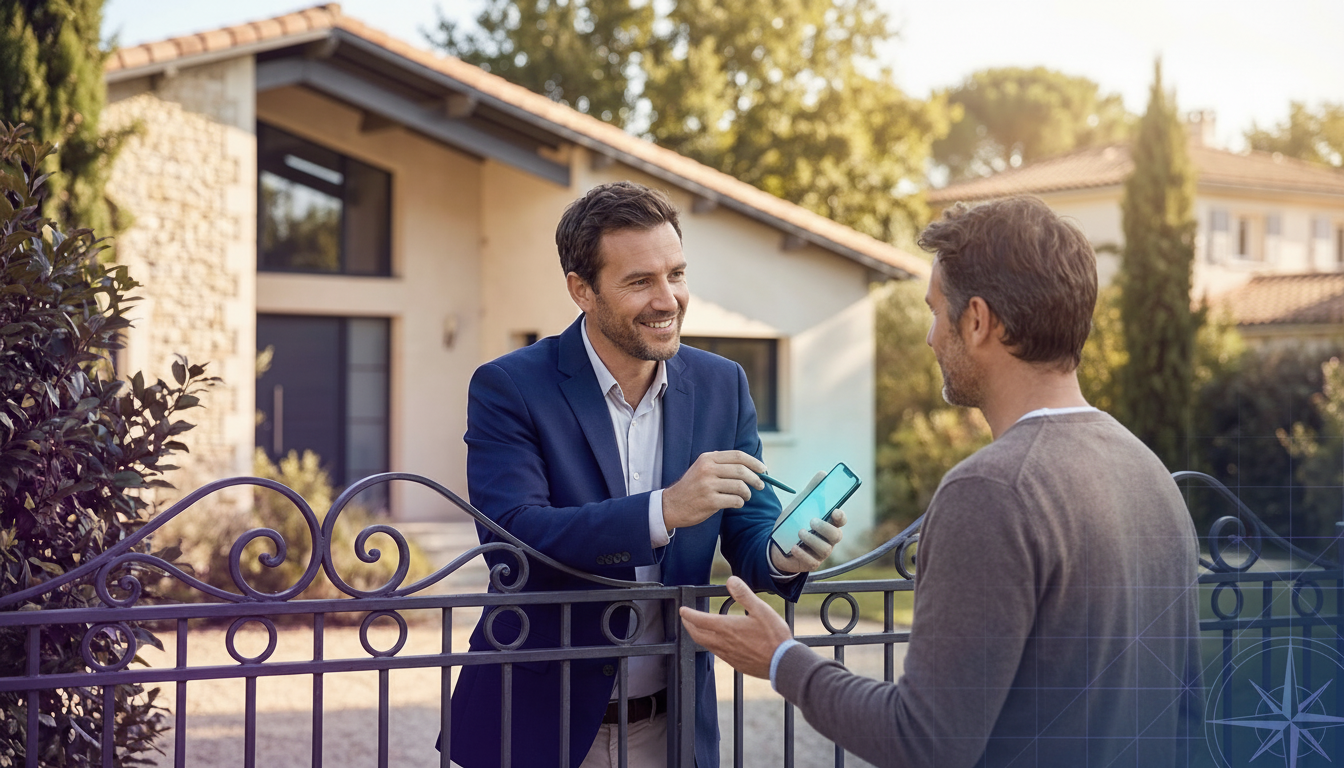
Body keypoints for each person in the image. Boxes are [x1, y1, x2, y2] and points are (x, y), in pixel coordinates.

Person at [681, 196, 1203, 768]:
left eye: (935, 311)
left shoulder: (991, 492)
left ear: (977, 320)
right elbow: (1186, 715)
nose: (931, 337)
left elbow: (923, 742)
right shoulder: (1150, 473)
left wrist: (783, 660)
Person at [445, 181, 846, 768]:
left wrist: (786, 553)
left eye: (676, 274)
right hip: (537, 722)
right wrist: (663, 511)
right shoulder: (509, 386)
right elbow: (513, 537)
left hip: (673, 725)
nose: (669, 299)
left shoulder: (722, 385)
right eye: (640, 281)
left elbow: (748, 535)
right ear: (582, 289)